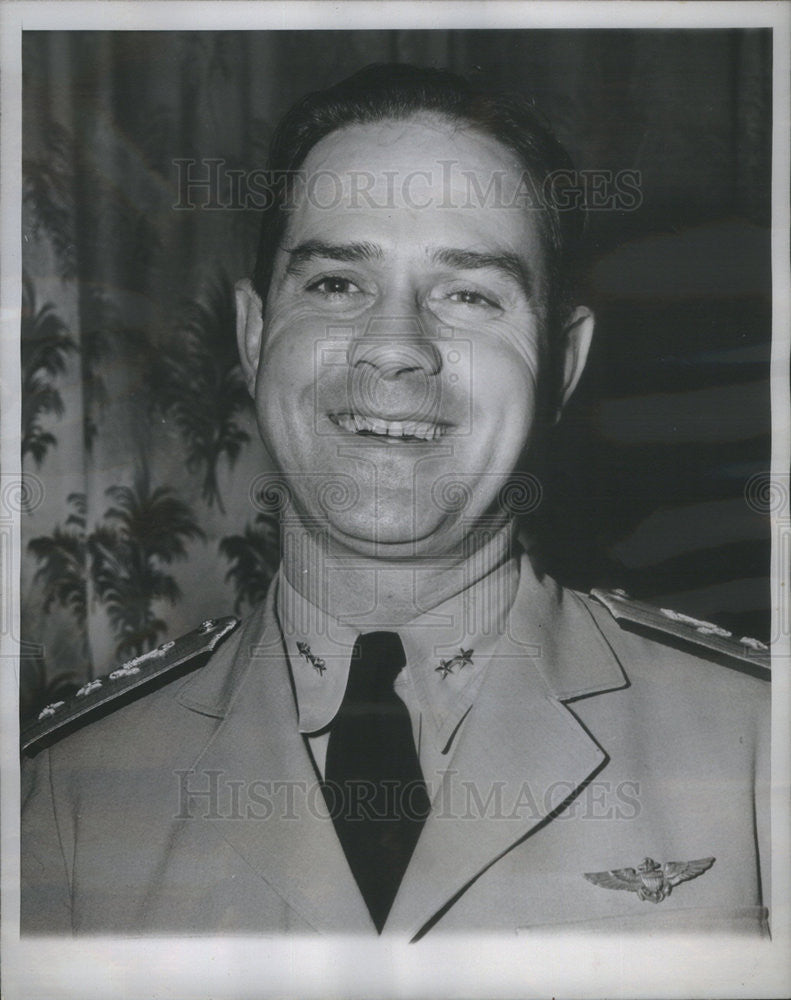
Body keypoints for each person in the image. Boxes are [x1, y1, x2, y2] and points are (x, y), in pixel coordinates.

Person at [21, 64, 770, 939]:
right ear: (256, 333)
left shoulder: (758, 747)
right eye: (337, 283)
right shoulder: (67, 792)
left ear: (561, 363)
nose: (395, 348)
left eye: (468, 293)